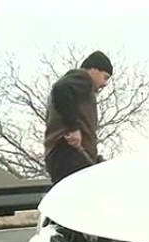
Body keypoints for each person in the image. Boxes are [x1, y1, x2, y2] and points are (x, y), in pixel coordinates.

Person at [43, 51, 113, 184]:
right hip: (67, 152)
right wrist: (73, 128)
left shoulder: (81, 89)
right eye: (105, 77)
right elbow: (61, 89)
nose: (105, 83)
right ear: (93, 70)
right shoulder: (82, 78)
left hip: (69, 154)